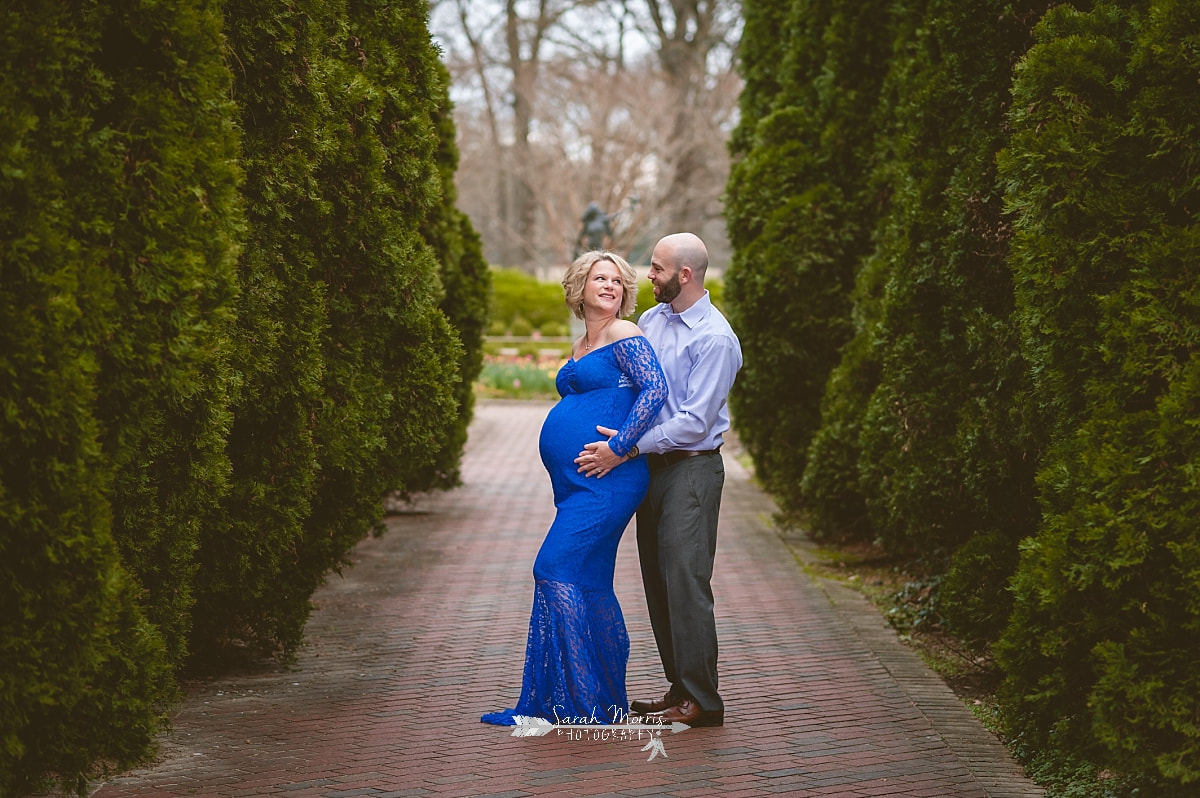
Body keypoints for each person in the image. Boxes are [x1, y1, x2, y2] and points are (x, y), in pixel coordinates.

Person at [482, 251, 668, 726]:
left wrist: (621, 447)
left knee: (553, 567)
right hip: (576, 486)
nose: (609, 286)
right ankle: (598, 699)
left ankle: (583, 699)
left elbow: (655, 389)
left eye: (617, 281)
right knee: (588, 581)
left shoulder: (623, 333)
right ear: (579, 287)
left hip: (610, 479)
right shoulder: (583, 341)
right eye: (599, 278)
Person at [576, 232, 742, 728]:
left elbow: (692, 422)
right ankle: (680, 687)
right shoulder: (651, 320)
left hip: (691, 470)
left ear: (683, 275)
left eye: (655, 268)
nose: (645, 275)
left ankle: (702, 700)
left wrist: (624, 447)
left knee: (686, 582)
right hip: (652, 471)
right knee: (659, 581)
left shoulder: (715, 338)